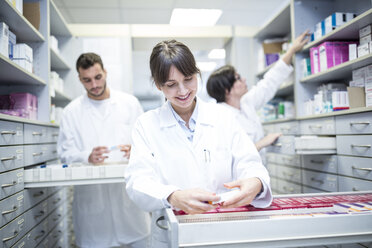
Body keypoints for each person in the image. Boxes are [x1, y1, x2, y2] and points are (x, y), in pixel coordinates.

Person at [125, 40, 272, 247]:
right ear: (158, 85)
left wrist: (256, 182)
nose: (183, 91)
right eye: (171, 84)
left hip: (226, 229)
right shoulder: (146, 125)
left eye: (188, 79)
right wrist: (172, 196)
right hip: (175, 233)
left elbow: (249, 162)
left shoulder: (223, 116)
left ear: (197, 74)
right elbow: (137, 182)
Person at [57, 53, 150, 248]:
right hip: (93, 208)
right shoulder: (71, 112)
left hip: (128, 204)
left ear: (105, 72)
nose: (94, 85)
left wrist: (136, 150)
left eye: (98, 77)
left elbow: (148, 144)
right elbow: (64, 154)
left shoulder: (129, 103)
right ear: (80, 79)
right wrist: (86, 156)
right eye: (87, 80)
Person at [206, 31, 309, 160]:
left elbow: (270, 82)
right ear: (227, 90)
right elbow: (232, 155)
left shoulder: (246, 102)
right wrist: (263, 142)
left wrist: (292, 50)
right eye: (237, 78)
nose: (243, 79)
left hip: (258, 171)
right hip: (240, 177)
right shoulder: (221, 116)